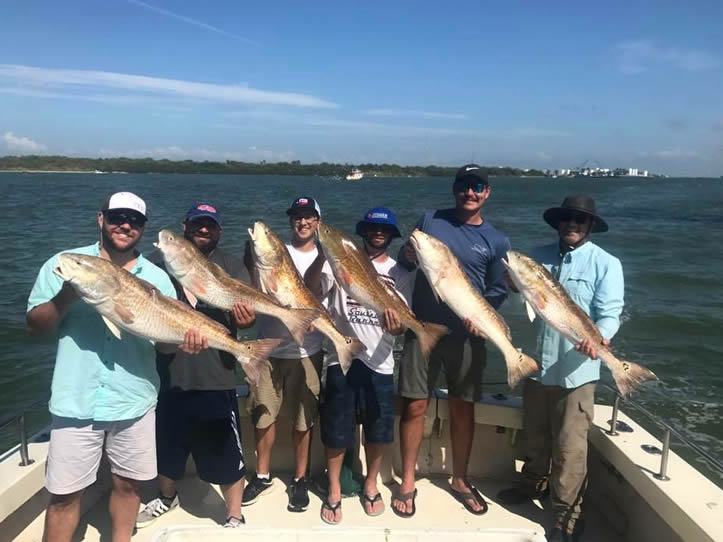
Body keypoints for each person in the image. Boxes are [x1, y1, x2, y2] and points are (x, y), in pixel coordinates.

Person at [26, 192, 205, 542]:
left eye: (135, 220)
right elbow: (35, 326)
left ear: (142, 228)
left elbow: (165, 345)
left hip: (134, 400)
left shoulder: (156, 276)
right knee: (63, 496)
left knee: (129, 487)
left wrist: (187, 341)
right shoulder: (68, 263)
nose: (125, 225)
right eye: (117, 217)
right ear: (100, 219)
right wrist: (68, 294)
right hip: (75, 402)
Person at [497, 196, 624, 542]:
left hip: (577, 371)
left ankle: (567, 515)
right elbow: (521, 303)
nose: (572, 224)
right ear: (558, 223)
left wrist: (600, 339)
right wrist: (513, 286)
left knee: (569, 448)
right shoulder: (536, 258)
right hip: (539, 366)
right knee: (534, 435)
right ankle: (533, 483)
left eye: (580, 221)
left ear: (590, 226)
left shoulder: (606, 264)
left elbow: (610, 312)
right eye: (567, 219)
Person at [393, 164, 511, 517]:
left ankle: (460, 479)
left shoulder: (497, 240)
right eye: (464, 186)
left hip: (467, 336)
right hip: (422, 328)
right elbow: (405, 259)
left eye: (477, 187)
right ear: (454, 189)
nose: (470, 193)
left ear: (487, 192)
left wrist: (483, 318)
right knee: (414, 405)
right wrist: (408, 254)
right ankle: (408, 481)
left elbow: (498, 290)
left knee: (463, 407)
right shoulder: (429, 220)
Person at [136, 202, 256, 529]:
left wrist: (246, 319)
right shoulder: (155, 269)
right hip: (167, 374)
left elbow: (245, 317)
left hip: (215, 374)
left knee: (225, 448)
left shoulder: (232, 267)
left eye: (210, 225)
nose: (204, 230)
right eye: (198, 224)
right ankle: (167, 496)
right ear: (185, 226)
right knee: (167, 443)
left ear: (219, 231)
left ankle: (234, 513)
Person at [304, 207, 413, 524]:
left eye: (384, 230)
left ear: (392, 235)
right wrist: (324, 254)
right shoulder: (339, 262)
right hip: (342, 357)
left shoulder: (399, 273)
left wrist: (397, 327)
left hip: (380, 361)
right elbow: (313, 289)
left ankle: (370, 484)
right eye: (372, 228)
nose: (378, 233)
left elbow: (402, 324)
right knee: (337, 430)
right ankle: (335, 488)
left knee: (378, 431)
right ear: (363, 231)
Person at [242, 196, 325, 512]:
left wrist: (319, 320)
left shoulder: (325, 258)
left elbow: (332, 301)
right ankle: (262, 475)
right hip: (269, 346)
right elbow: (254, 288)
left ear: (317, 221)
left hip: (309, 351)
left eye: (308, 216)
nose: (302, 222)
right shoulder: (273, 254)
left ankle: (300, 478)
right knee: (263, 415)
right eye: (296, 216)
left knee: (305, 419)